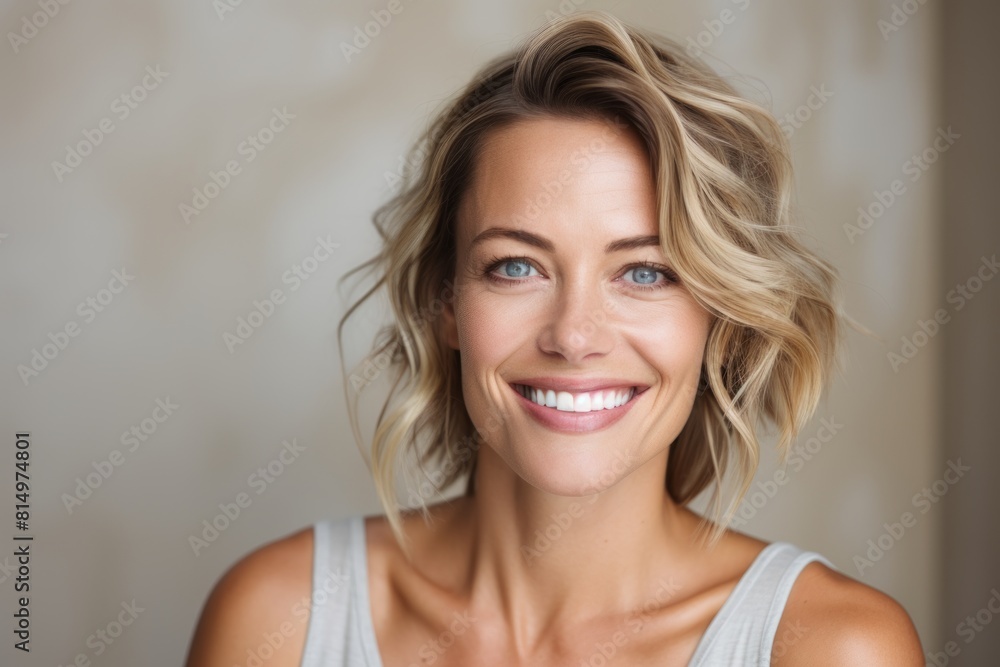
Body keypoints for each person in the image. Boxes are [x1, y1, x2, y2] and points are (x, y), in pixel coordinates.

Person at [185, 11, 925, 666]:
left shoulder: (834, 647)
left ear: (721, 318)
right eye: (516, 266)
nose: (574, 335)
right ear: (445, 302)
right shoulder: (278, 619)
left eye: (645, 272)